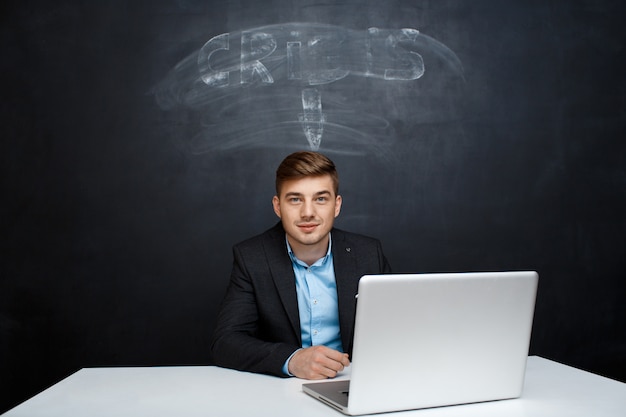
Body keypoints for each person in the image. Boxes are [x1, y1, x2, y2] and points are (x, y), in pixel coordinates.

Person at [210, 151, 391, 379]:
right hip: (281, 393)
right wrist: (292, 359)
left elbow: (396, 331)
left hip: (355, 383)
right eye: (295, 199)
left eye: (320, 199)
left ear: (336, 205)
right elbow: (226, 343)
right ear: (278, 206)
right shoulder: (251, 257)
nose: (308, 213)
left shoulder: (368, 254)